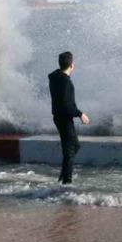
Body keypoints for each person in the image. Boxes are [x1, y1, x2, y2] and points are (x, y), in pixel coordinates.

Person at [48, 51, 90, 184]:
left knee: (72, 147)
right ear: (72, 65)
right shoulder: (66, 83)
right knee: (71, 148)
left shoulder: (55, 77)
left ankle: (64, 175)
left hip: (58, 117)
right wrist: (80, 114)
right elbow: (67, 105)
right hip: (64, 118)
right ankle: (67, 181)